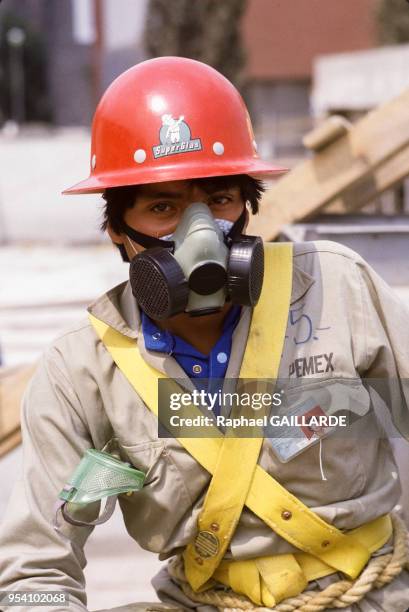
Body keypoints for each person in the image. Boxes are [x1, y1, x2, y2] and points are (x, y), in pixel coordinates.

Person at [0, 57, 408, 612]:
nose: (199, 235)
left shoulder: (335, 287)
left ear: (246, 208)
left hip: (375, 592)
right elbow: (35, 572)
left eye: (218, 200)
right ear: (118, 231)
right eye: (163, 207)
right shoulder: (83, 374)